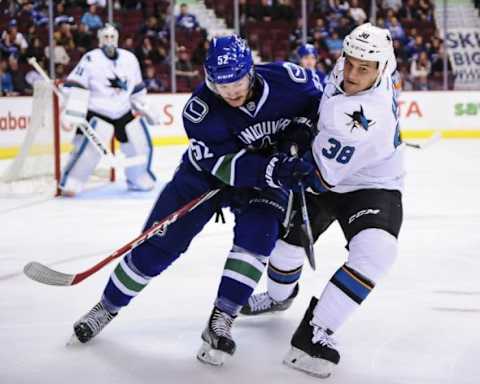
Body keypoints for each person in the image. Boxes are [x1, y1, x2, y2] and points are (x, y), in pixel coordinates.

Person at [70, 35, 323, 367]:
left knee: (258, 238)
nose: (230, 91)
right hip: (205, 178)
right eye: (221, 84)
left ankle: (222, 319)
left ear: (252, 71)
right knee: (159, 246)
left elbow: (323, 103)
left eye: (237, 82)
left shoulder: (290, 80)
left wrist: (303, 131)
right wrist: (274, 169)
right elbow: (222, 165)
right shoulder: (200, 109)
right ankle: (107, 306)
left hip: (269, 176)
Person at [241, 23, 405, 378]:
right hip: (331, 169)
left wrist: (274, 164)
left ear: (382, 68)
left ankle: (314, 335)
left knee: (377, 251)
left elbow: (320, 176)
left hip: (371, 183)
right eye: (349, 62)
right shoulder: (358, 68)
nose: (351, 74)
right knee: (285, 250)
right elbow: (318, 103)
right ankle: (278, 297)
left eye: (363, 68)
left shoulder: (365, 116)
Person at [60, 24, 157, 196]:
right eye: (105, 37)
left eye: (112, 37)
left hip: (123, 109)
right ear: (99, 39)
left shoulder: (129, 58)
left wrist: (144, 107)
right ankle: (72, 181)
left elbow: (136, 88)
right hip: (97, 110)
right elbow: (76, 84)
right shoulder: (91, 58)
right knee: (88, 150)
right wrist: (73, 109)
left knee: (139, 144)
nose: (109, 41)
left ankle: (138, 177)